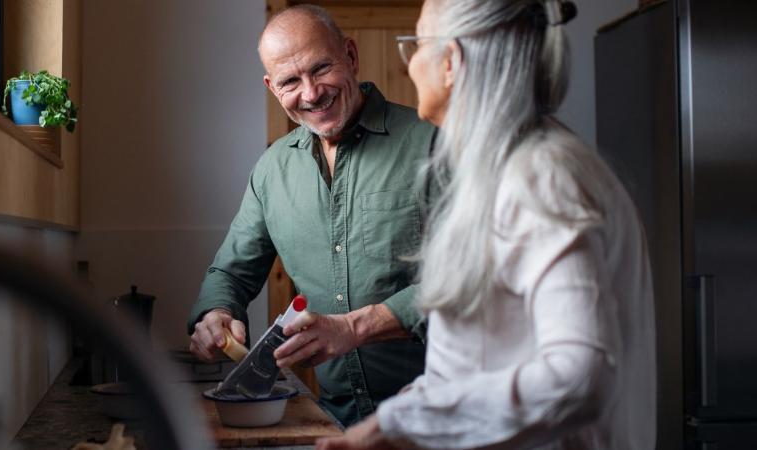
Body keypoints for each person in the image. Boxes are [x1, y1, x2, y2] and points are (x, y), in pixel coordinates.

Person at [316, 0, 656, 449]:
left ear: (451, 62)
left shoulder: (541, 176)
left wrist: (397, 423)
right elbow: (487, 357)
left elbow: (581, 376)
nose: (412, 63)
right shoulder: (507, 168)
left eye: (416, 45)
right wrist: (417, 405)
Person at [186, 5, 436, 426]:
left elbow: (472, 281)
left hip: (440, 418)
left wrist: (355, 327)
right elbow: (230, 273)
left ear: (351, 57)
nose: (311, 93)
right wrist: (216, 315)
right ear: (271, 87)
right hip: (335, 423)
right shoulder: (272, 170)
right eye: (289, 81)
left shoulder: (431, 144)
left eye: (321, 68)